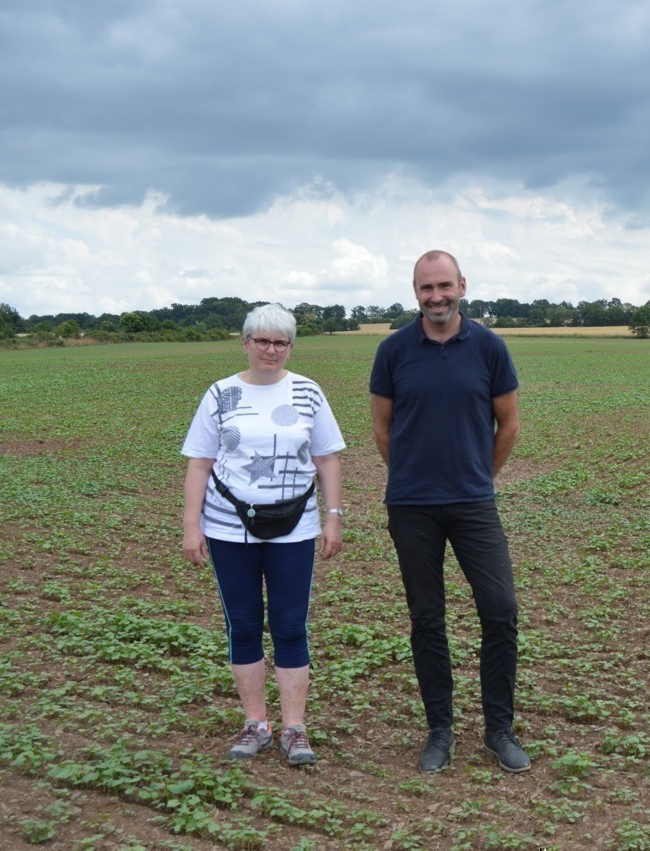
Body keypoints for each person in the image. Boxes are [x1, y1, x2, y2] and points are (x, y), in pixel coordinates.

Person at [369, 250, 528, 773]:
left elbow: (508, 424)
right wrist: (413, 477)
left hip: (473, 503)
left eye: (444, 286)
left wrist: (479, 476)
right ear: (415, 292)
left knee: (500, 610)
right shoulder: (393, 350)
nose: (435, 296)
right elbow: (383, 429)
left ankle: (498, 729)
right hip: (411, 506)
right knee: (427, 618)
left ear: (462, 285)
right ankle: (439, 729)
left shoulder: (489, 346)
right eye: (426, 288)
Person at [181, 303, 346, 767]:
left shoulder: (307, 392)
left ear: (290, 347)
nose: (270, 350)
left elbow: (327, 458)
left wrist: (333, 516)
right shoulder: (220, 394)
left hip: (294, 528)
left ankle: (295, 728)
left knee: (291, 626)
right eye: (262, 341)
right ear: (245, 342)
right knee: (244, 624)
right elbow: (200, 463)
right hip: (228, 528)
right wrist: (192, 525)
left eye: (280, 342)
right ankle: (256, 723)